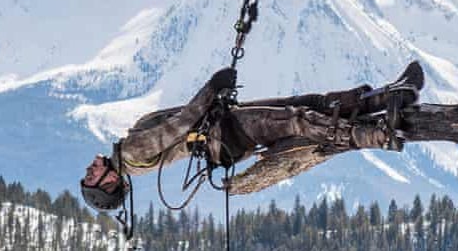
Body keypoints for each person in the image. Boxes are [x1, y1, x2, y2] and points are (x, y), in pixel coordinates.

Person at [79, 62, 425, 211]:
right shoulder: (131, 151)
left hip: (222, 131)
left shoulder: (128, 159)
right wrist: (211, 88)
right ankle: (378, 134)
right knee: (299, 118)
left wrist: (213, 98)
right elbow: (181, 125)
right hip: (224, 132)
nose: (90, 168)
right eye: (91, 177)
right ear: (109, 183)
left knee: (305, 105)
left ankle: (388, 97)